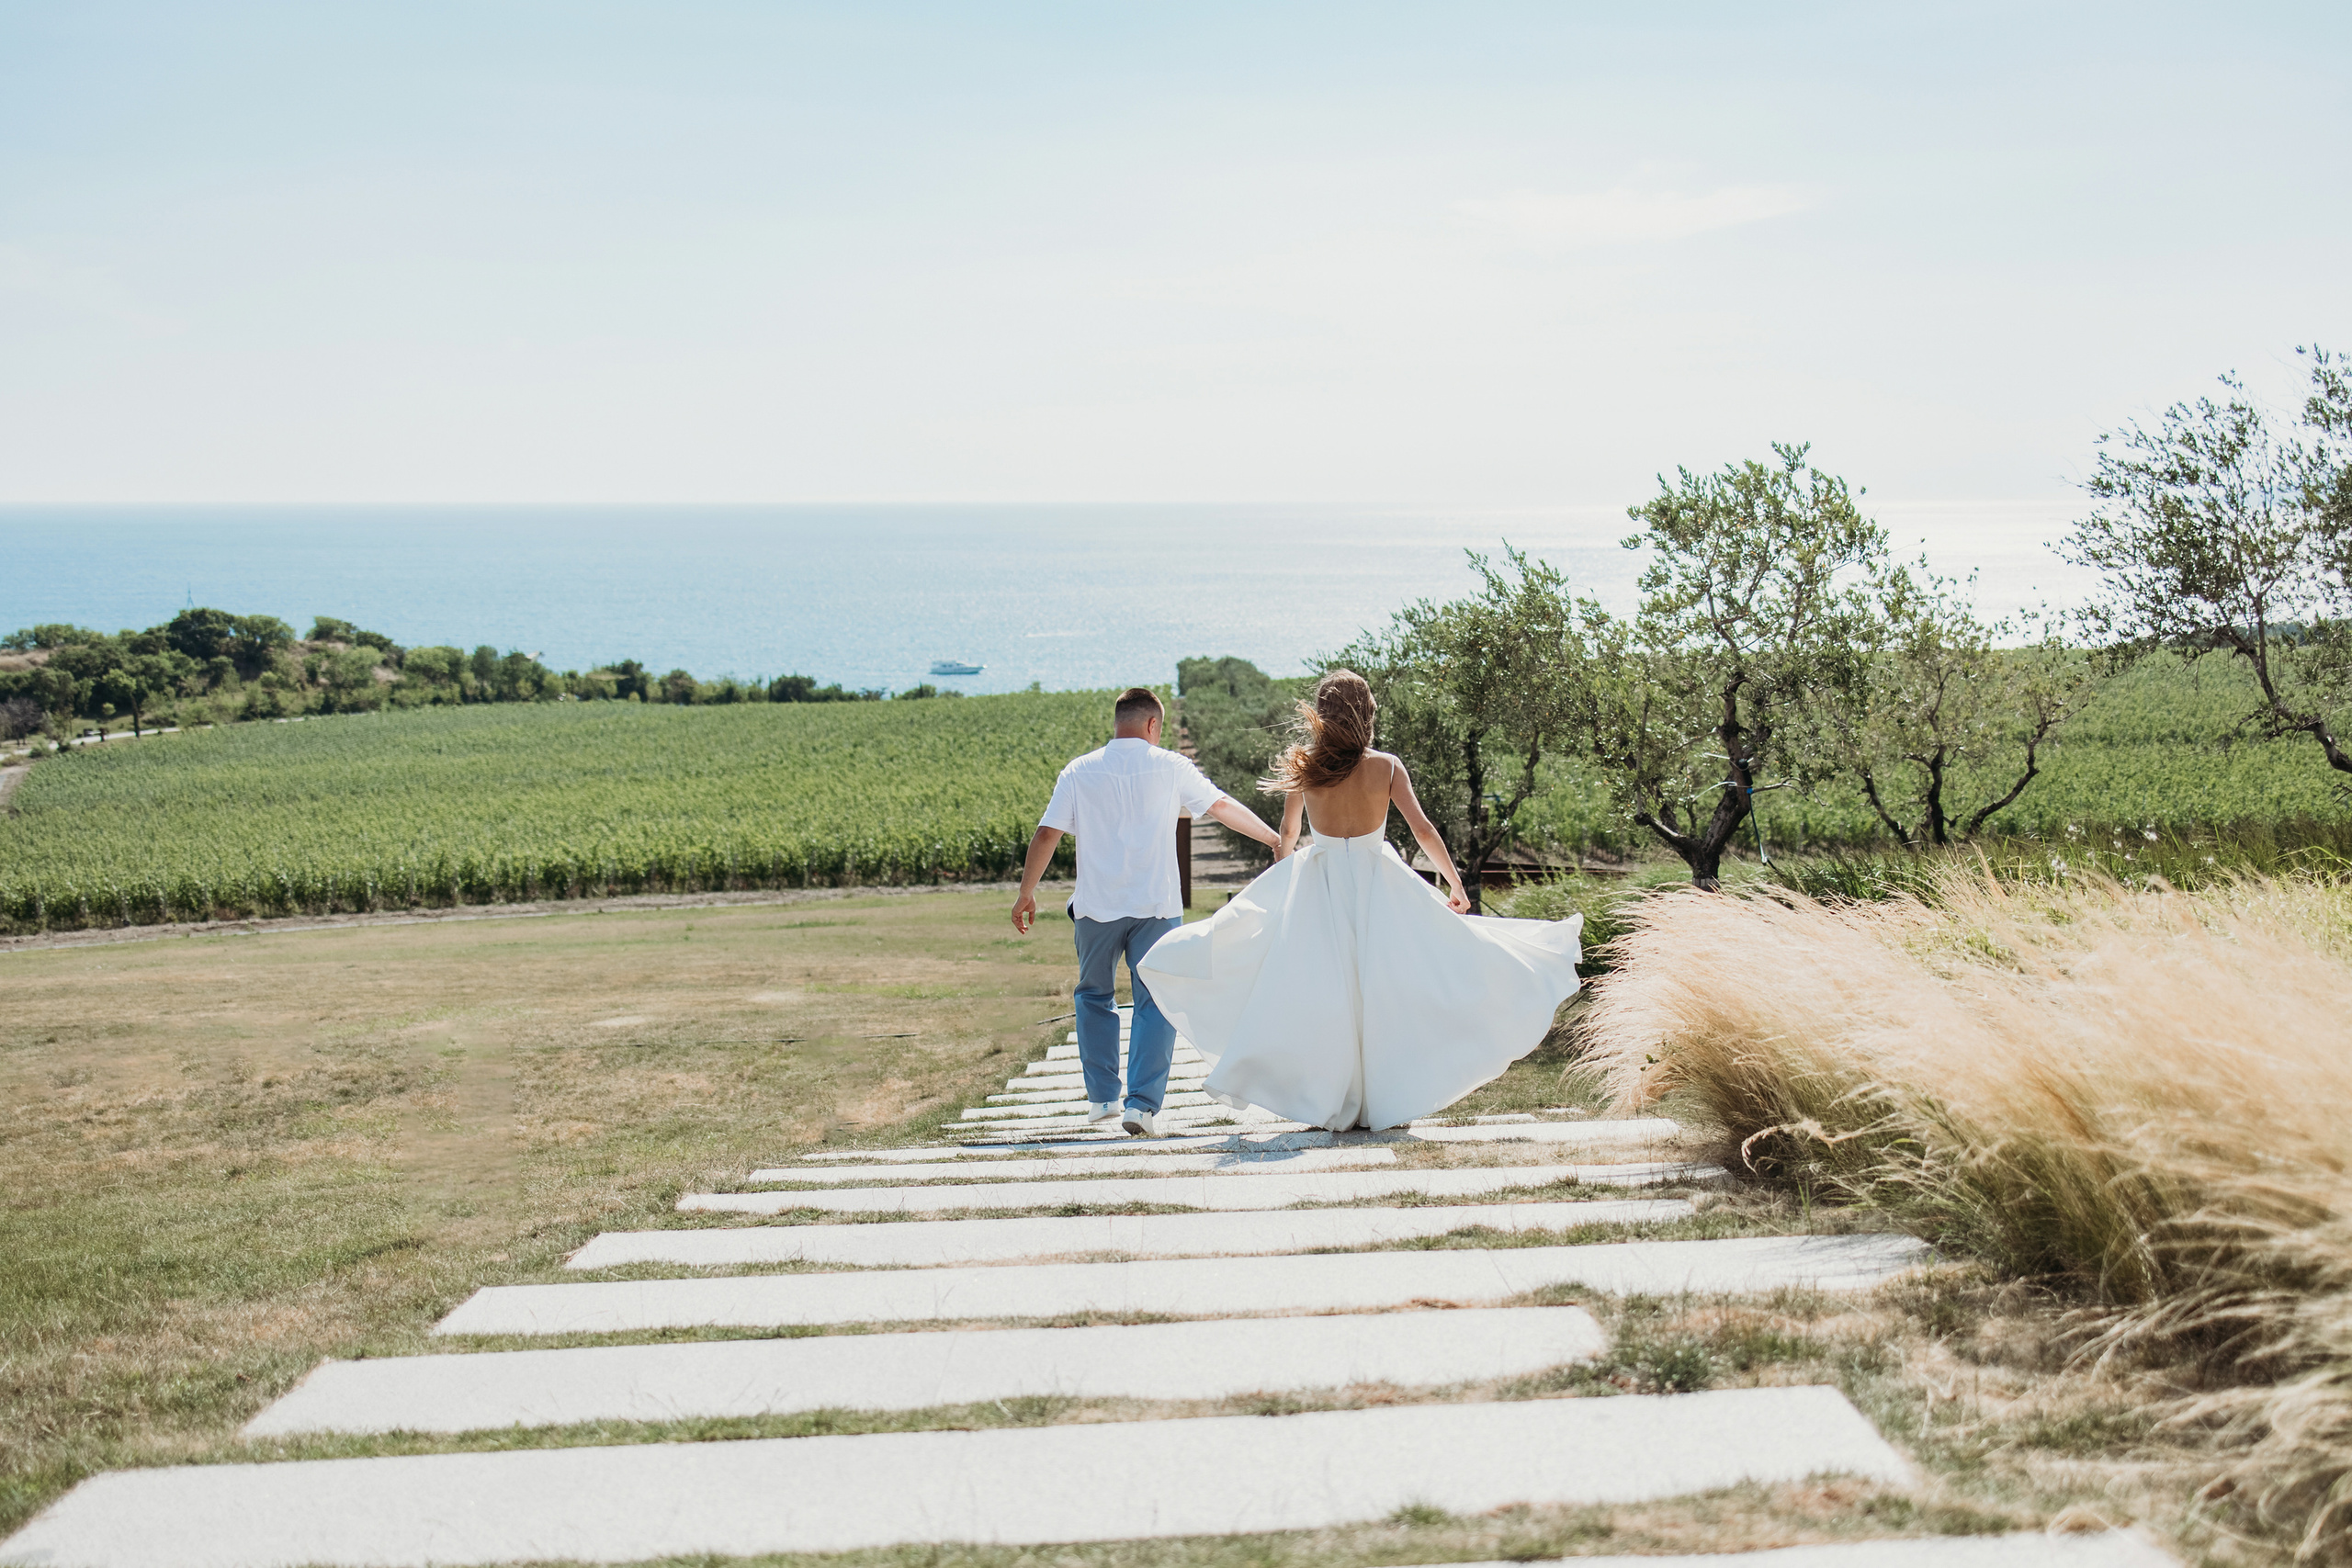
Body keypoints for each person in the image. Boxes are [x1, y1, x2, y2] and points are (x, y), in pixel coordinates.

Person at [1137, 670, 1582, 1132]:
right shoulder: (1386, 766)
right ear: (1367, 713)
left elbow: (1288, 836)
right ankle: (1385, 1097)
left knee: (1324, 994)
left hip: (1321, 885)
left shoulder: (1305, 765)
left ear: (1322, 714)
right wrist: (1454, 882)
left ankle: (1331, 1097)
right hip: (1379, 883)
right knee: (1389, 988)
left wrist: (1282, 875)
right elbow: (1423, 830)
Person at [1012, 685, 1283, 1136]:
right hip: (1156, 907)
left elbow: (1046, 834)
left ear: (1118, 722)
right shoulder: (1172, 767)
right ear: (1154, 724)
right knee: (1155, 1000)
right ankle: (1142, 1107)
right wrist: (1273, 838)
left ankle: (1101, 1099)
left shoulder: (1079, 771)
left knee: (1093, 997)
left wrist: (1026, 893)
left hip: (1097, 907)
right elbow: (1220, 806)